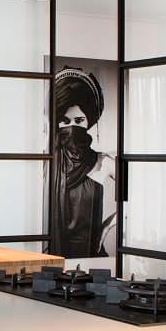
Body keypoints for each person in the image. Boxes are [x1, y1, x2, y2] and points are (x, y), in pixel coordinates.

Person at [50, 66, 114, 258]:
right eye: (64, 120)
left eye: (79, 121)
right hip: (52, 262)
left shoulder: (105, 163)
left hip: (93, 261)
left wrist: (108, 226)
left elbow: (140, 198)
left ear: (89, 122)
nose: (72, 127)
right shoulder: (46, 163)